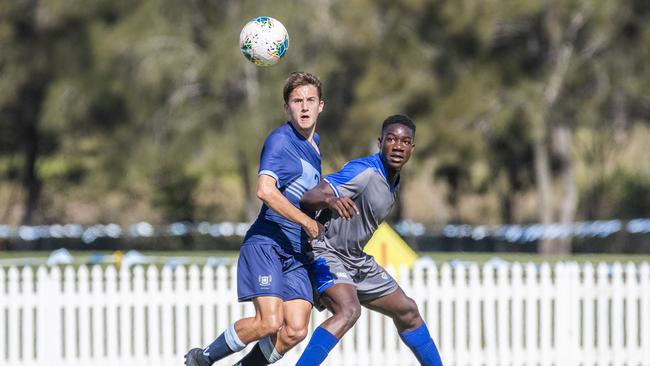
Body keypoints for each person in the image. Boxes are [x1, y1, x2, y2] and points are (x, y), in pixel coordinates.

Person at [185, 72, 326, 366]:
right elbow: (265, 190)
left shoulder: (315, 145)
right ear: (286, 108)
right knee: (269, 322)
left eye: (310, 100)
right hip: (267, 244)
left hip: (295, 252)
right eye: (296, 101)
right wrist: (308, 222)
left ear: (320, 106)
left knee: (296, 330)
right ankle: (203, 358)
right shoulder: (280, 141)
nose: (304, 107)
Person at [295, 115, 443, 366]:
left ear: (412, 148)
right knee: (349, 310)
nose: (398, 146)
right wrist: (330, 200)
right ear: (380, 142)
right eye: (392, 139)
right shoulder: (364, 171)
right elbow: (309, 197)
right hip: (324, 251)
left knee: (408, 310)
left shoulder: (393, 180)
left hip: (354, 258)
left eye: (405, 141)